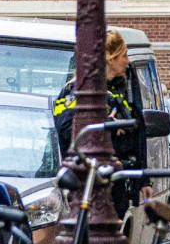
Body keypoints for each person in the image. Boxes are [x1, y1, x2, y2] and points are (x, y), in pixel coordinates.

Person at [54, 29, 152, 218]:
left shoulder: (123, 90)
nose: (127, 61)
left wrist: (143, 179)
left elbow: (138, 134)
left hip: (118, 186)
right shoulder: (76, 91)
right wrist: (107, 123)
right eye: (124, 55)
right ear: (110, 58)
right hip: (90, 186)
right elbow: (66, 130)